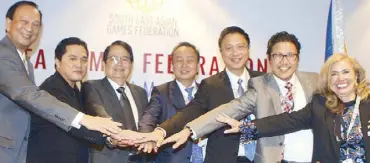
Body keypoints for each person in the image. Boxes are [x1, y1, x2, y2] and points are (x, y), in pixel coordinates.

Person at [162, 31, 319, 163]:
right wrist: (189, 131)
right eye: (278, 55)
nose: (284, 61)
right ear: (269, 58)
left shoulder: (315, 81)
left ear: (297, 58)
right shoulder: (260, 85)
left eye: (290, 55)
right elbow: (230, 108)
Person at [0, 1, 122, 162]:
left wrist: (109, 134)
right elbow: (26, 94)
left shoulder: (26, 62)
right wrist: (83, 119)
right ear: (8, 23)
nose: (30, 28)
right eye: (24, 22)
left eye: (36, 24)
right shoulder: (3, 54)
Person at [137, 26, 265, 163]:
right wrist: (161, 131)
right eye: (229, 48)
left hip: (261, 157)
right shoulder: (211, 85)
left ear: (248, 49)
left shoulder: (264, 82)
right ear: (221, 52)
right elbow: (189, 112)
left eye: (240, 47)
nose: (235, 53)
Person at [217, 53, 370, 162]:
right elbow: (286, 121)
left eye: (345, 72)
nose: (340, 78)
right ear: (328, 80)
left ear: (356, 75)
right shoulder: (321, 105)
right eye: (334, 74)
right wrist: (246, 127)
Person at [27, 37, 108, 163]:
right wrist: (110, 136)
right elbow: (77, 127)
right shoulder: (52, 89)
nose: (79, 64)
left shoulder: (78, 90)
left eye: (84, 59)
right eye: (72, 59)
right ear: (58, 62)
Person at [82, 40, 149, 163]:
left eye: (124, 59)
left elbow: (146, 125)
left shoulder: (141, 93)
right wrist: (117, 135)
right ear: (103, 64)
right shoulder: (92, 87)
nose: (119, 64)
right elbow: (100, 114)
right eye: (113, 59)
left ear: (131, 65)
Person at [138, 42, 205, 163]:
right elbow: (148, 119)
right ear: (172, 66)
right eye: (179, 60)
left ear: (198, 66)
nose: (184, 65)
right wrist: (147, 137)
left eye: (190, 60)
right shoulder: (161, 92)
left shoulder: (207, 92)